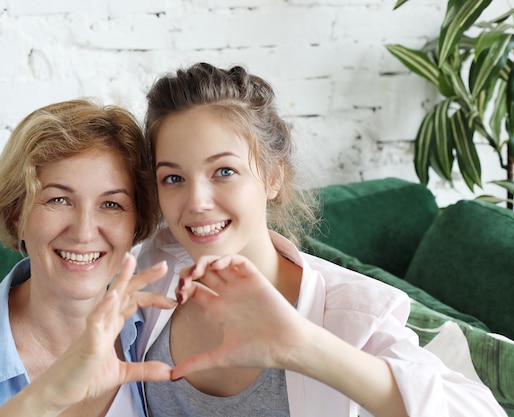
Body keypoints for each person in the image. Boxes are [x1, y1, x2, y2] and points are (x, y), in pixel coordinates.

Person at [133, 63, 507, 416]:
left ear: (273, 177)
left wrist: (302, 346)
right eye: (174, 178)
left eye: (224, 171)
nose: (196, 202)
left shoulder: (350, 312)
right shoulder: (153, 271)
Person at [0, 99, 177, 417]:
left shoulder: (157, 332)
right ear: (17, 214)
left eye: (111, 204)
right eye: (58, 199)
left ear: (137, 222)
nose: (84, 232)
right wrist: (48, 396)